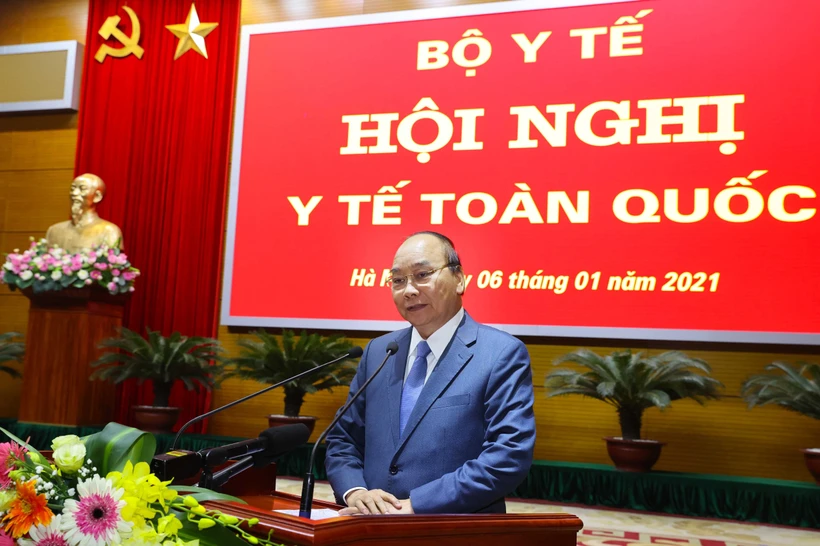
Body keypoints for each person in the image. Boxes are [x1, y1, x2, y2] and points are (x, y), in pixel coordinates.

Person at [325, 231, 536, 515]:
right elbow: (343, 439)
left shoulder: (501, 353)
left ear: (459, 279)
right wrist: (355, 491)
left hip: (453, 532)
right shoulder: (379, 352)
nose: (409, 290)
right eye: (398, 280)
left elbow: (507, 456)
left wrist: (415, 506)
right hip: (368, 530)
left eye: (422, 274)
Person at [45, 173, 123, 253]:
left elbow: (112, 262)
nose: (74, 193)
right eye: (72, 189)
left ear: (97, 196)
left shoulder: (109, 231)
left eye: (82, 189)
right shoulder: (54, 230)